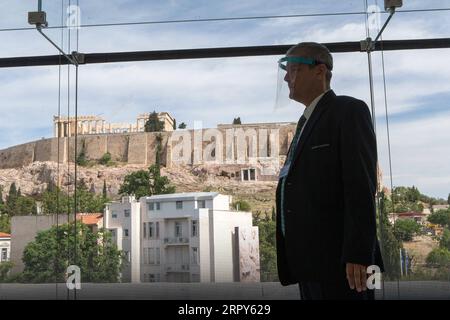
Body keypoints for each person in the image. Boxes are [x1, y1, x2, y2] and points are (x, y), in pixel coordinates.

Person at [275, 42, 384, 300]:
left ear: (319, 71)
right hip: (313, 265)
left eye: (293, 70)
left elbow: (360, 185)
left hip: (347, 266)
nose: (286, 77)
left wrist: (359, 255)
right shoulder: (307, 122)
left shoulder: (349, 111)